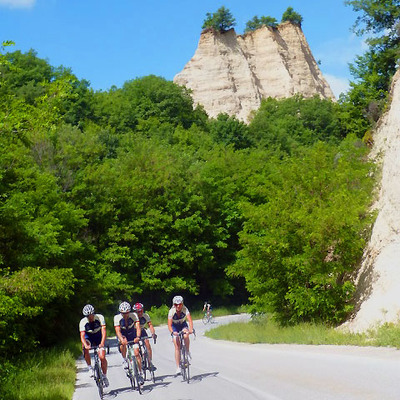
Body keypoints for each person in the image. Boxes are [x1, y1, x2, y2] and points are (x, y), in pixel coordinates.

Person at [79, 304, 109, 387]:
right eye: (87, 316)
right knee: (84, 347)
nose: (90, 317)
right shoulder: (83, 322)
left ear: (93, 314)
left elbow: (103, 331)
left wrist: (102, 342)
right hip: (89, 336)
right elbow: (82, 336)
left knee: (102, 357)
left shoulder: (100, 318)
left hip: (98, 336)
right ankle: (89, 367)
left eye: (91, 315)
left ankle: (104, 376)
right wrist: (86, 345)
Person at [113, 301, 144, 384]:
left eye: (127, 313)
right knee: (122, 344)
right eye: (123, 313)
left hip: (132, 333)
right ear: (120, 312)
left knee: (137, 353)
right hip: (122, 334)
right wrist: (122, 339)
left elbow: (138, 327)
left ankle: (140, 373)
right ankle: (124, 360)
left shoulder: (134, 315)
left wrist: (138, 337)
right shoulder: (117, 318)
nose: (125, 315)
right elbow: (117, 331)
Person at [167, 295, 194, 375]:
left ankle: (187, 351)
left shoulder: (185, 309)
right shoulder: (171, 311)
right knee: (177, 346)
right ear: (173, 305)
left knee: (186, 335)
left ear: (182, 304)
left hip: (182, 324)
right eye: (176, 304)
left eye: (180, 304)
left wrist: (191, 329)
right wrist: (172, 332)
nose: (178, 306)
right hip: (174, 326)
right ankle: (178, 367)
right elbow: (169, 324)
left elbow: (190, 320)